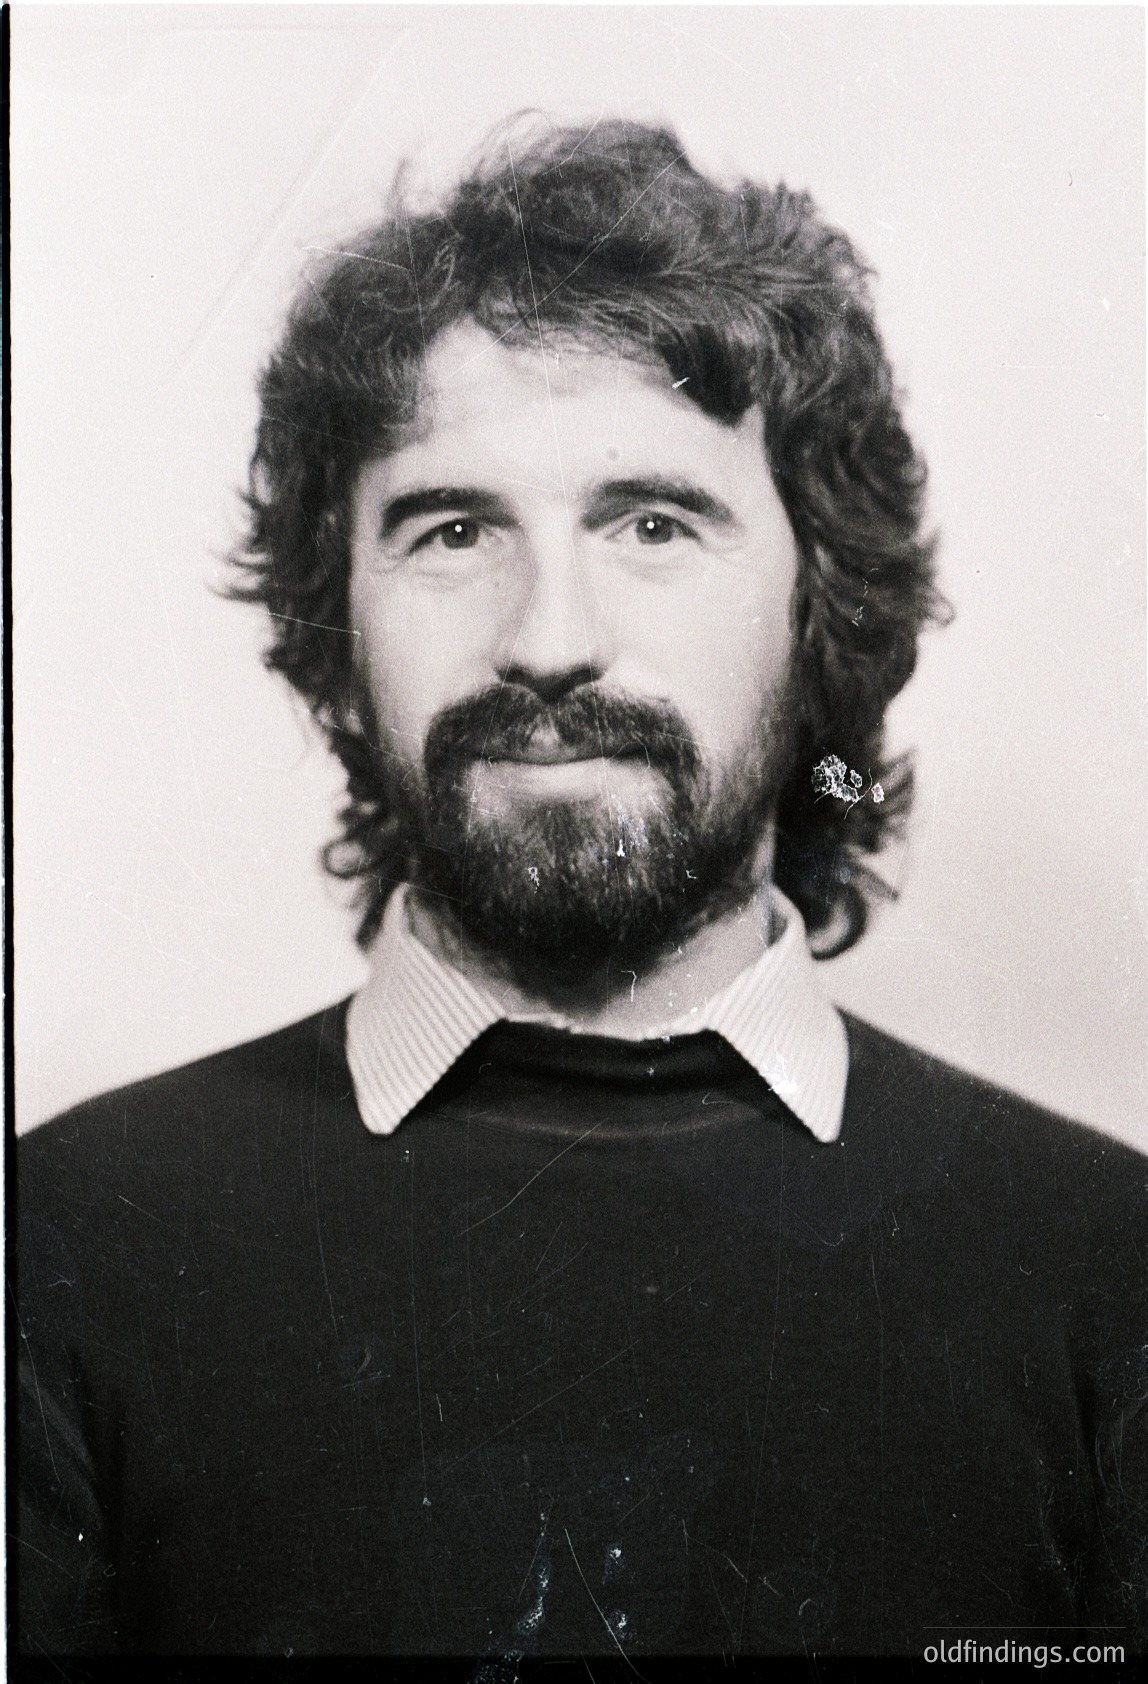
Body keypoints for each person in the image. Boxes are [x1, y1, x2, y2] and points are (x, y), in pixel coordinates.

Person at [16, 119, 1146, 1662]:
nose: (550, 637)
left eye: (655, 524)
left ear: (822, 615)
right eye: (454, 528)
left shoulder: (1110, 1266)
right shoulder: (63, 1239)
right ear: (332, 638)